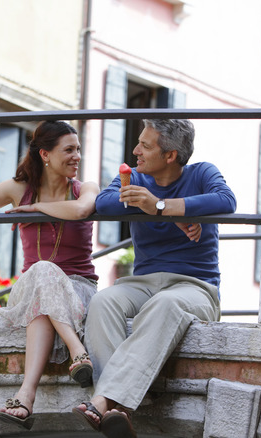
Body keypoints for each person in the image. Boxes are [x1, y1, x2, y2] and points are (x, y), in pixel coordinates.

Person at [71, 118, 236, 438]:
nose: (135, 151)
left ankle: (104, 401)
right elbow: (104, 204)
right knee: (103, 301)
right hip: (142, 283)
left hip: (195, 287)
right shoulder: (131, 177)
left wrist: (163, 206)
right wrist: (159, 209)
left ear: (171, 154)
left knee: (165, 304)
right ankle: (117, 407)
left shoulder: (202, 173)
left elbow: (226, 200)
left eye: (145, 146)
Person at [0, 120, 100, 430]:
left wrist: (35, 208)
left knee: (42, 283)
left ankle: (25, 395)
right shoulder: (16, 188)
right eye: (69, 150)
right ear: (45, 155)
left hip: (79, 289)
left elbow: (80, 211)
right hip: (34, 284)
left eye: (78, 150)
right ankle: (77, 350)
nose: (77, 157)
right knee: (42, 272)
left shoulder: (85, 188)